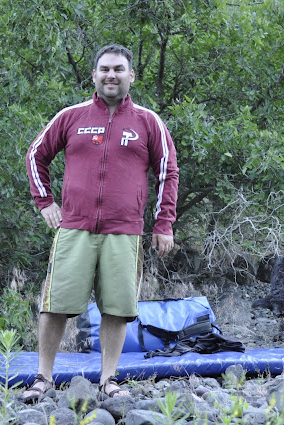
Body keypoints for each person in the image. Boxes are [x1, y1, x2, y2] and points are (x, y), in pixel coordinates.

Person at [22, 44, 179, 402]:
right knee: (55, 304)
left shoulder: (148, 122)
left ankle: (108, 380)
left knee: (117, 309)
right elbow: (35, 155)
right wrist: (45, 202)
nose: (111, 75)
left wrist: (164, 223)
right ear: (94, 75)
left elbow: (168, 172)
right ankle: (43, 378)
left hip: (124, 231)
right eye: (105, 69)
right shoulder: (71, 116)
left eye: (119, 69)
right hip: (74, 228)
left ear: (131, 76)